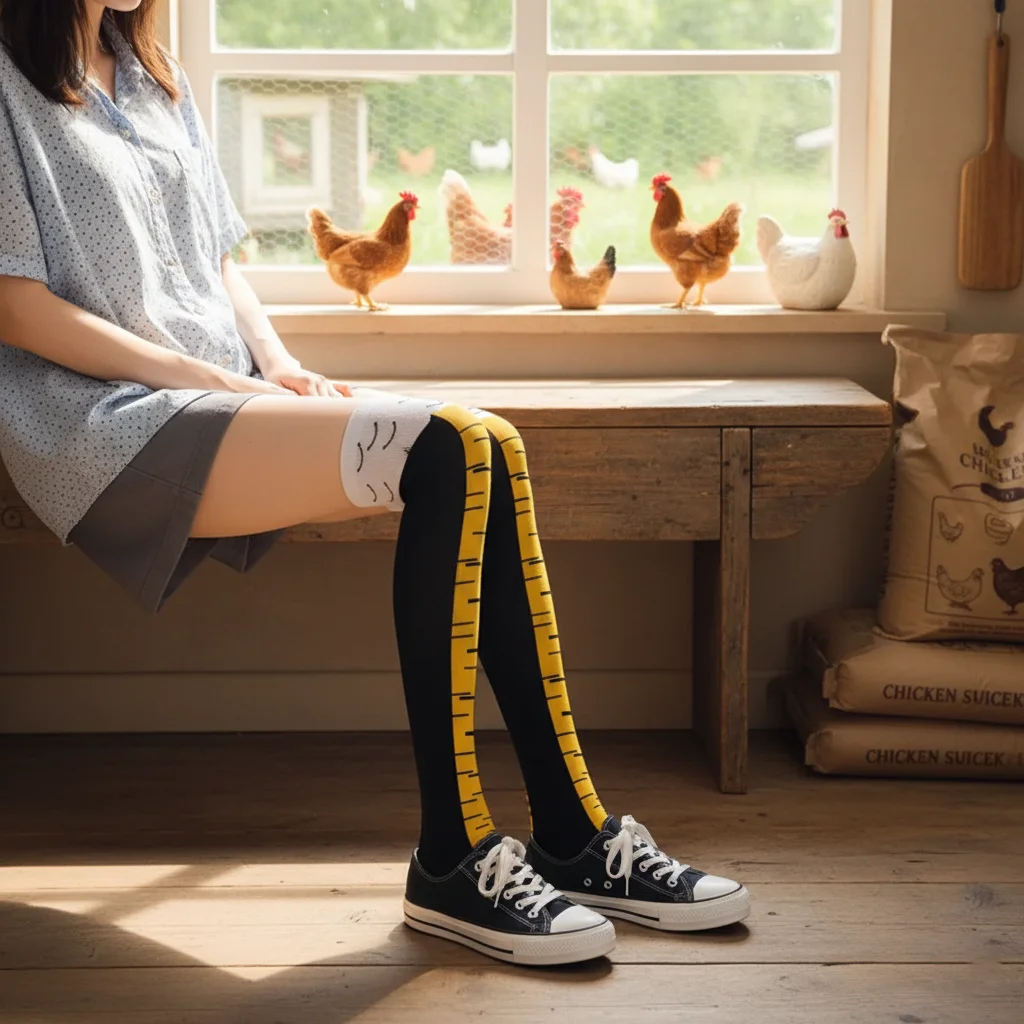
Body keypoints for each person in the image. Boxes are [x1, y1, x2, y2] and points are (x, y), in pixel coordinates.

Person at [0, 0, 750, 966]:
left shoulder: (153, 77)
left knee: (488, 446)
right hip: (99, 422)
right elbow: (14, 306)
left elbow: (219, 264)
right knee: (445, 449)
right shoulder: (10, 87)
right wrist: (205, 377)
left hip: (218, 393)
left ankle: (575, 835)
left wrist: (278, 366)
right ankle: (452, 855)